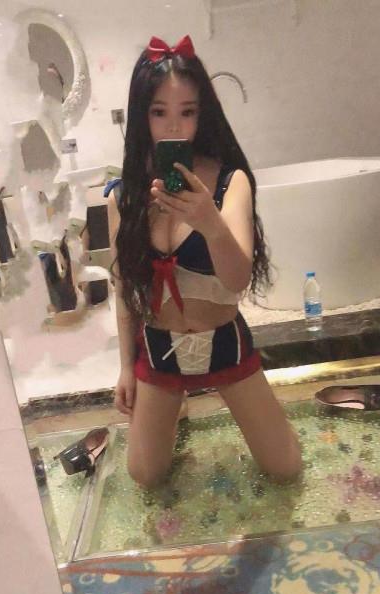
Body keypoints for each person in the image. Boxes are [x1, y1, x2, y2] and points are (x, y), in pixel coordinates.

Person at [107, 35, 302, 489]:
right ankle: (176, 413)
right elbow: (125, 290)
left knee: (286, 468)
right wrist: (125, 367)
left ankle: (182, 413)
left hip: (223, 342)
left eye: (188, 112)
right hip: (159, 348)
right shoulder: (123, 197)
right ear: (141, 115)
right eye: (159, 112)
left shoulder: (230, 182)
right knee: (145, 476)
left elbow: (236, 281)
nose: (174, 126)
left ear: (203, 114)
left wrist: (210, 225)